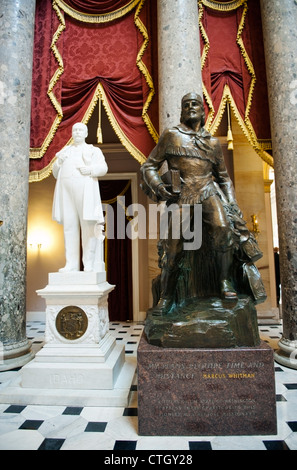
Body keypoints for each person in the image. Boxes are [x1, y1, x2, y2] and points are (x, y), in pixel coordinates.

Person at [141, 92, 265, 315]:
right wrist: (160, 187)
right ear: (181, 110)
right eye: (186, 104)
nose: (190, 107)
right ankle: (166, 296)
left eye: (195, 104)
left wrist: (231, 203)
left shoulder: (213, 142)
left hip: (208, 191)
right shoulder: (171, 135)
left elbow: (224, 178)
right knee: (173, 246)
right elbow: (149, 166)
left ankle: (225, 282)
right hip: (182, 194)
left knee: (223, 228)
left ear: (203, 110)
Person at [52, 122, 108, 272]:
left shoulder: (93, 150)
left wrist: (90, 170)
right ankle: (71, 264)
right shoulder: (65, 151)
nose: (77, 132)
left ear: (86, 133)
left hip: (85, 189)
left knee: (88, 227)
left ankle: (88, 263)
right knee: (69, 226)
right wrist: (59, 162)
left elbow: (103, 168)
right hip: (66, 190)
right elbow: (55, 172)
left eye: (80, 130)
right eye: (74, 130)